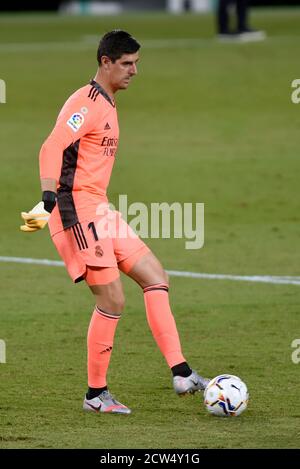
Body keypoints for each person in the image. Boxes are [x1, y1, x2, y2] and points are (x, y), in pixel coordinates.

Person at [20, 30, 209, 415]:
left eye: (136, 63)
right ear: (105, 62)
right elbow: (51, 145)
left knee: (155, 275)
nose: (134, 71)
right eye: (126, 63)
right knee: (112, 298)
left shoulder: (107, 103)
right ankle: (95, 394)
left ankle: (182, 373)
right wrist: (47, 195)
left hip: (99, 208)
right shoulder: (85, 103)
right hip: (76, 211)